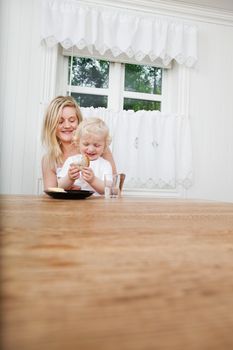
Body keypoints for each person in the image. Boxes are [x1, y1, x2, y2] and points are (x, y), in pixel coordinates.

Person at [41, 95, 116, 190]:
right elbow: (50, 193)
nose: (67, 125)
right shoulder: (49, 159)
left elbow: (114, 189)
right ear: (51, 125)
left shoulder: (98, 149)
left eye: (72, 120)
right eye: (60, 122)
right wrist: (67, 187)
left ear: (79, 122)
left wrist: (93, 181)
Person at [58, 117, 112, 195]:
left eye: (96, 145)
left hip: (97, 205)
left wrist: (93, 180)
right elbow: (60, 187)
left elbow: (108, 190)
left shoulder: (105, 165)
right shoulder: (71, 161)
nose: (90, 149)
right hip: (73, 204)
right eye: (86, 144)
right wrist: (69, 178)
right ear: (78, 142)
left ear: (104, 146)